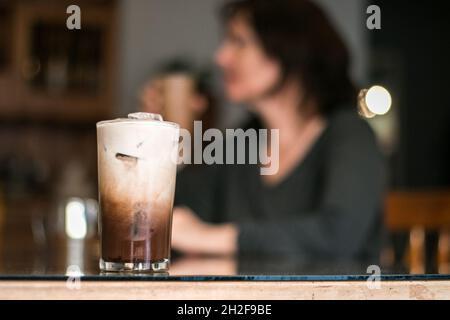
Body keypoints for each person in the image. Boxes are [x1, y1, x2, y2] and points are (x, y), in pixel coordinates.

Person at [171, 0, 385, 263]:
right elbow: (173, 222)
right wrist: (170, 137)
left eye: (239, 41)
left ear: (289, 50)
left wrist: (219, 238)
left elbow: (337, 236)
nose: (221, 56)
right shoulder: (238, 143)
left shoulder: (349, 134)